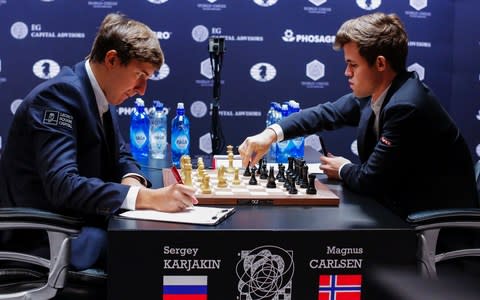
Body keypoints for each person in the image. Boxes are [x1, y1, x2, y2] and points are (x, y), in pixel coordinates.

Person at [0, 13, 198, 270]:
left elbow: (121, 155)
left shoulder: (98, 94)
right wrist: (145, 198)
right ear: (112, 59)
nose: (142, 89)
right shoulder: (59, 97)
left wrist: (132, 181)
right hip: (47, 237)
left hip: (79, 223)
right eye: (140, 75)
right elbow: (64, 185)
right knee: (150, 256)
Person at [239, 12, 479, 218]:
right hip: (395, 207)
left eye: (353, 65)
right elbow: (326, 114)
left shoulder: (406, 106)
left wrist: (343, 168)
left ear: (381, 64)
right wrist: (270, 134)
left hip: (427, 222)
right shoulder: (379, 92)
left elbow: (370, 179)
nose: (346, 72)